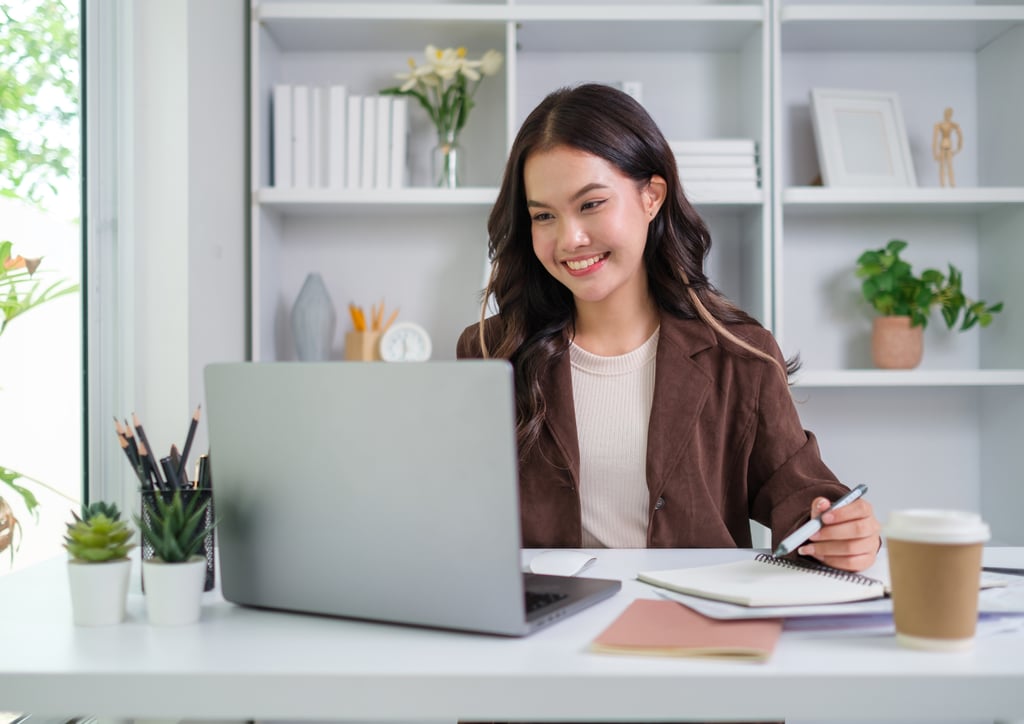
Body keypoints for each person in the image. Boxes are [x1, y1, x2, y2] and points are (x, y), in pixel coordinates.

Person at [456, 83, 881, 573]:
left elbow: (800, 491)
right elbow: (460, 506)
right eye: (544, 216)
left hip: (693, 622)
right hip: (546, 629)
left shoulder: (739, 352)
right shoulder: (490, 351)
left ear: (651, 197)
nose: (569, 238)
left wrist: (840, 529)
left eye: (591, 204)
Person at [932, 106, 963, 188]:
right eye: (947, 114)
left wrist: (958, 148)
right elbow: (934, 139)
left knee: (949, 166)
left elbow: (960, 135)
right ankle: (943, 184)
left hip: (948, 147)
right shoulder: (940, 125)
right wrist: (935, 153)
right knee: (943, 166)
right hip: (943, 147)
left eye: (949, 114)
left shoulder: (952, 125)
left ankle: (952, 183)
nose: (948, 116)